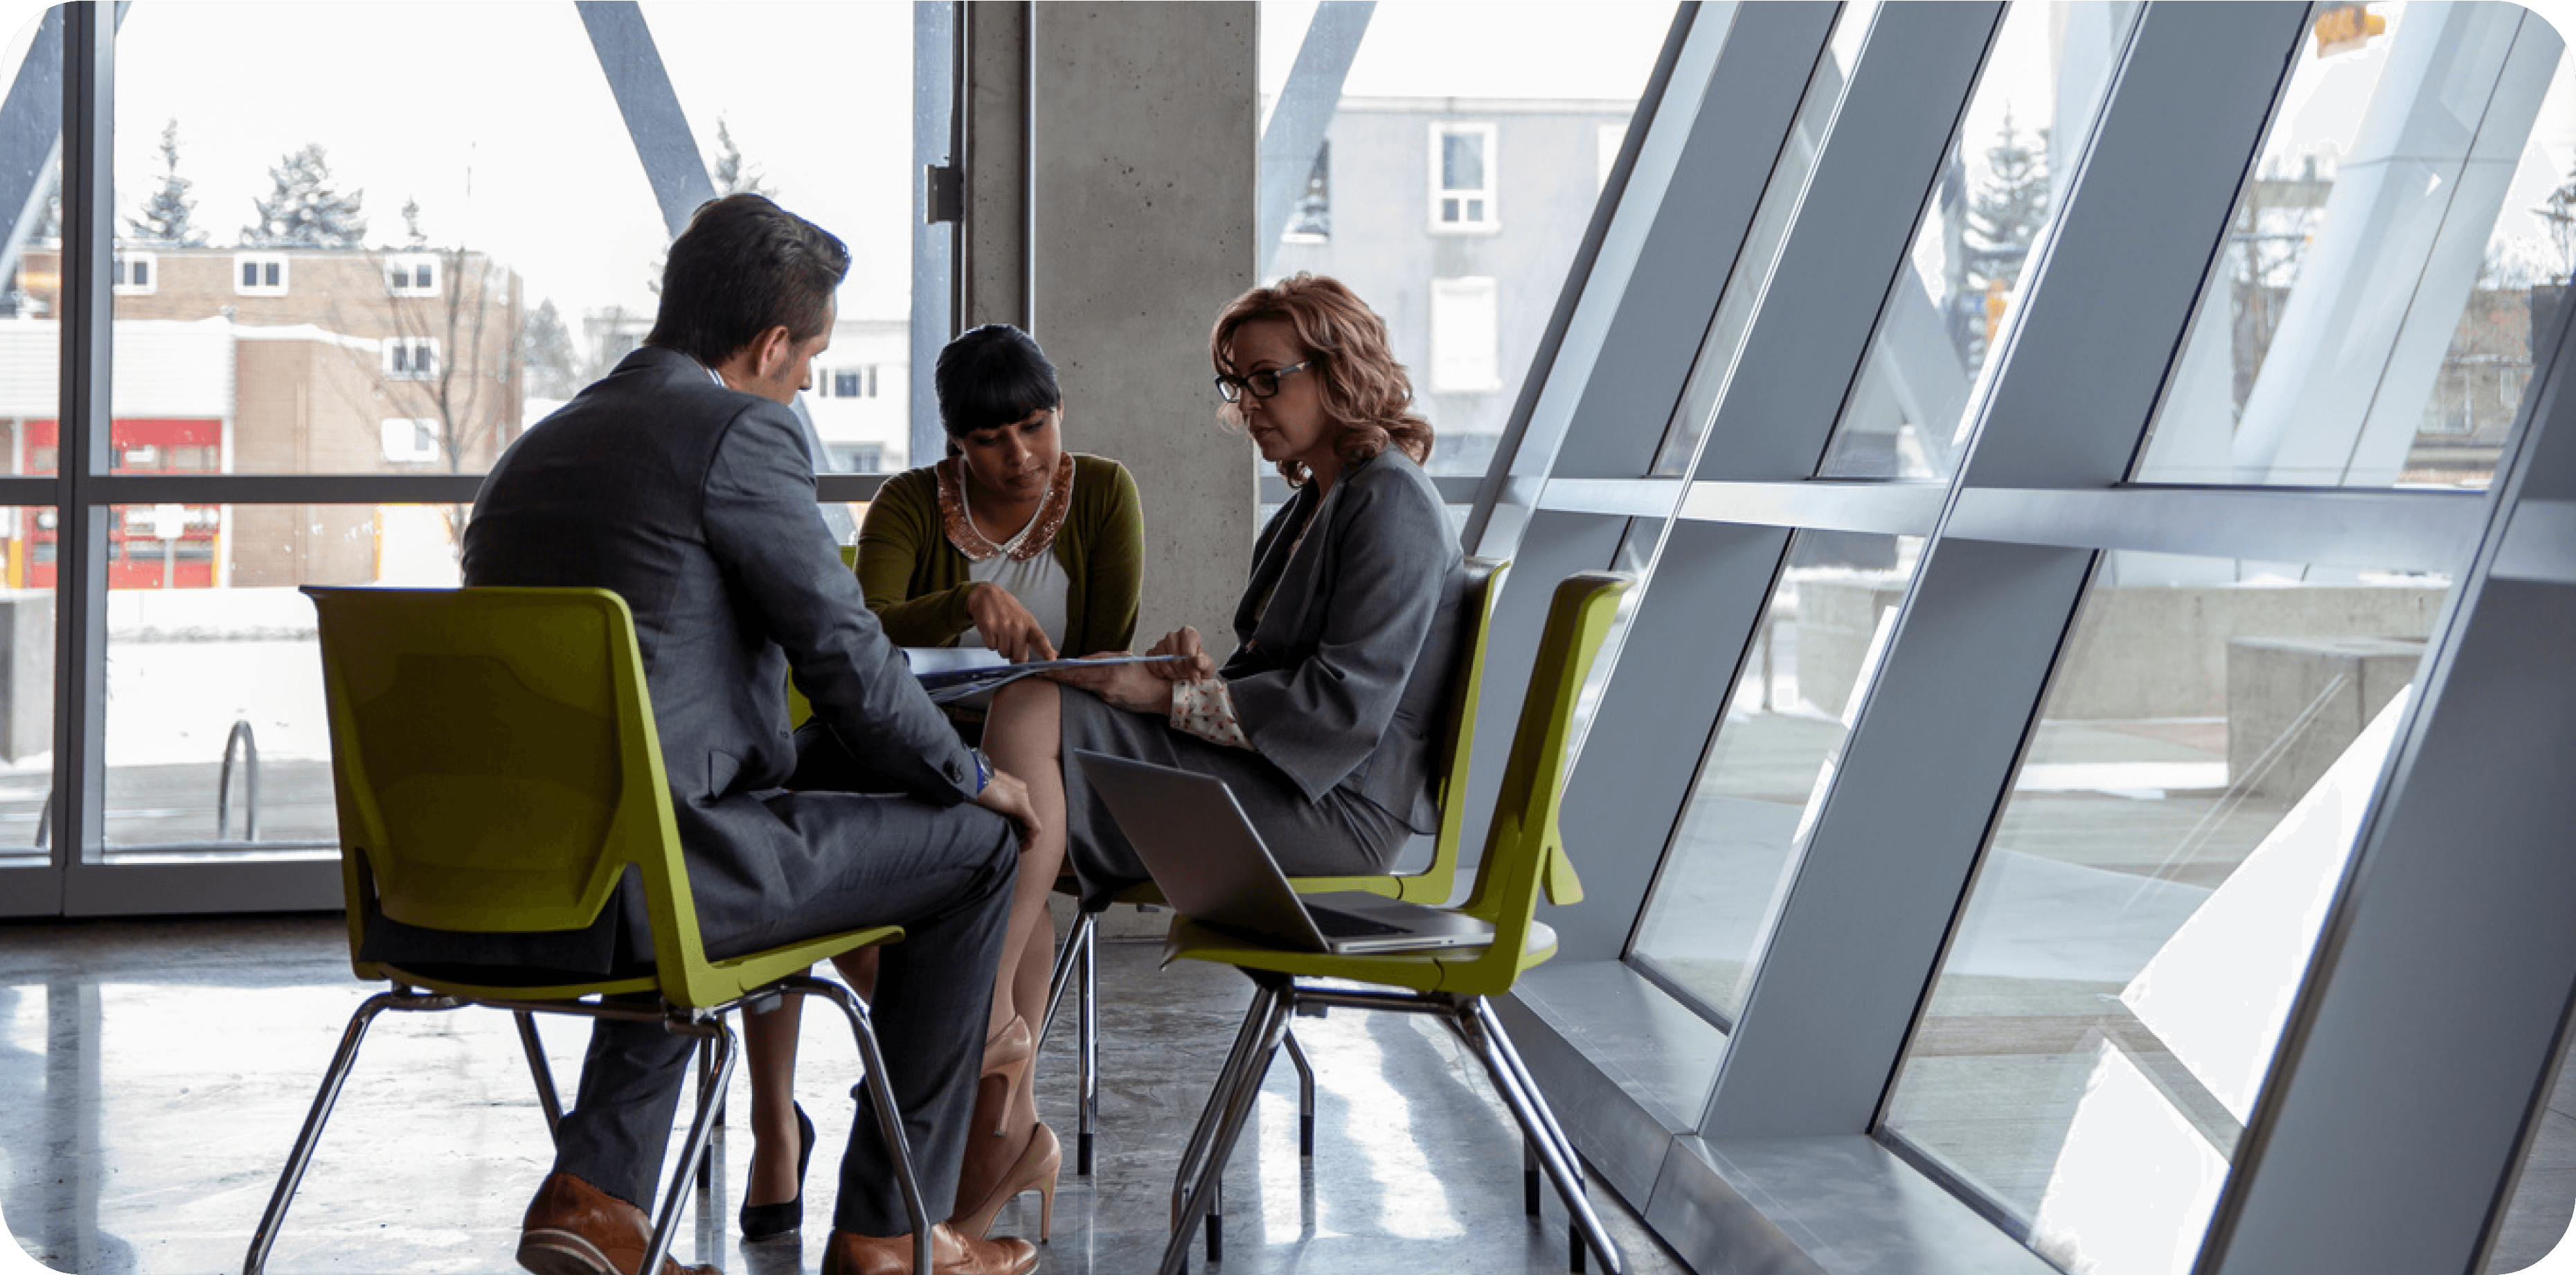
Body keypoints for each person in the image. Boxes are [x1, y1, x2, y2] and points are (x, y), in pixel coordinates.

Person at [440, 193, 1040, 1275]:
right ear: (772, 344)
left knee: (704, 818)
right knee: (979, 845)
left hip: (484, 879)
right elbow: (846, 657)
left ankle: (599, 1194)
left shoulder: (533, 450)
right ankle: (891, 1229)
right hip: (652, 879)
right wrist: (969, 772)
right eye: (811, 356)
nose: (806, 379)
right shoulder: (740, 431)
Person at [978, 270, 1466, 1085]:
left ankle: (989, 1031)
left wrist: (1171, 697)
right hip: (1287, 780)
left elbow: (1343, 707)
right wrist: (1186, 677)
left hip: (1334, 806)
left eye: (1268, 379)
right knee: (1033, 715)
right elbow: (1273, 675)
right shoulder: (1319, 501)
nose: (1248, 403)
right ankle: (1000, 1059)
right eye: (1237, 383)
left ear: (1340, 369)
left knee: (1029, 716)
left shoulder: (1391, 502)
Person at [740, 323, 1141, 1242]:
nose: (1020, 456)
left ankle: (979, 1099)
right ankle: (815, 1120)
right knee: (797, 849)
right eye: (989, 440)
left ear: (1057, 413)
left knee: (1012, 848)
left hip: (1049, 753)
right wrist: (963, 599)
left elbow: (1104, 655)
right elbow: (862, 626)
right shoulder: (911, 504)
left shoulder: (1105, 493)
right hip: (906, 750)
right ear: (956, 443)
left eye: (1034, 427)